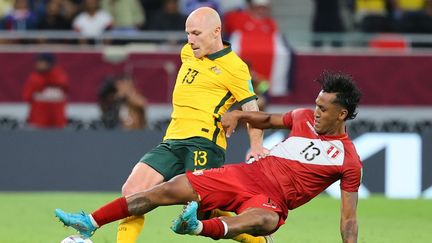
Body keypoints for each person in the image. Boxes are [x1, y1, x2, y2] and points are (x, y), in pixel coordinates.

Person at [55, 71, 362, 243]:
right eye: (317, 104)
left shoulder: (348, 160)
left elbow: (348, 218)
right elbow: (267, 119)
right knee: (168, 188)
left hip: (272, 200)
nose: (316, 111)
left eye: (323, 108)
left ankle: (197, 228)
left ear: (342, 113)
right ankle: (91, 222)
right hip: (244, 175)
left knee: (265, 221)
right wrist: (238, 115)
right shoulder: (303, 116)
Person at [100, 7, 266, 243]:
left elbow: (252, 109)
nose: (190, 40)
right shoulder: (188, 52)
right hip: (172, 140)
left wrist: (256, 145)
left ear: (216, 31)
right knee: (132, 192)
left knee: (202, 212)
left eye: (196, 33)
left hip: (205, 142)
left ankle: (257, 239)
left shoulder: (235, 67)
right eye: (188, 33)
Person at [22, 53, 69, 129]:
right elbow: (27, 96)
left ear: (50, 64)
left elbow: (65, 90)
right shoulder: (34, 78)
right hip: (38, 119)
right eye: (38, 62)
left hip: (57, 120)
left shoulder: (60, 76)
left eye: (42, 62)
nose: (38, 65)